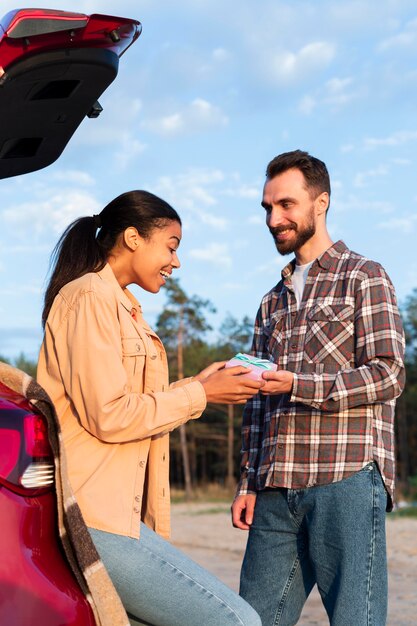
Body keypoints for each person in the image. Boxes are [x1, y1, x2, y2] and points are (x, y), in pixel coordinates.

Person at [37, 190, 262, 626]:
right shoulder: (89, 298)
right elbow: (110, 414)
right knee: (237, 621)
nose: (176, 262)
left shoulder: (124, 308)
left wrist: (199, 383)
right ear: (134, 238)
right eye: (172, 247)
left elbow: (127, 400)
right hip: (93, 516)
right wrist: (203, 395)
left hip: (116, 514)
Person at [231, 150, 405, 626]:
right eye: (267, 207)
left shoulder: (363, 276)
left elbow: (389, 374)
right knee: (250, 620)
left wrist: (300, 385)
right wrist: (248, 481)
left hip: (345, 478)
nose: (274, 218)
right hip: (274, 488)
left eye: (286, 204)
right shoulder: (271, 301)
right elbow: (256, 404)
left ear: (321, 202)